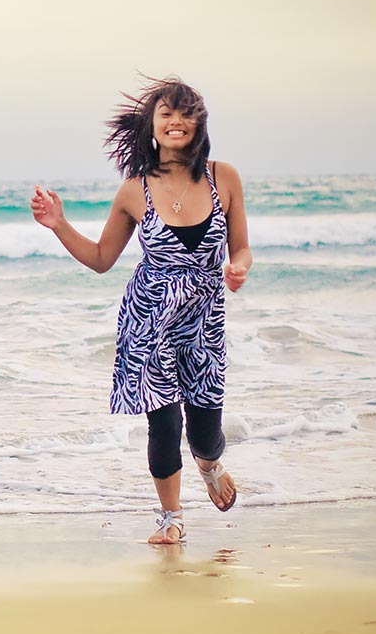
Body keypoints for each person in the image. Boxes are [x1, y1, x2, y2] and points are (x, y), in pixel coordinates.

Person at [30, 78, 252, 545]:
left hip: (204, 322)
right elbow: (100, 259)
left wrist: (237, 269)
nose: (176, 122)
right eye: (166, 113)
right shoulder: (134, 191)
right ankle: (171, 519)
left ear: (199, 124)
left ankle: (209, 466)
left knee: (205, 430)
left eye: (185, 114)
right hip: (148, 321)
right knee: (164, 421)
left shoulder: (223, 177)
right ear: (152, 124)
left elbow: (243, 249)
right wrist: (58, 224)